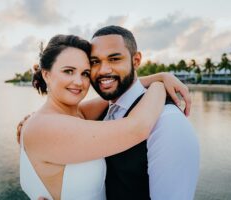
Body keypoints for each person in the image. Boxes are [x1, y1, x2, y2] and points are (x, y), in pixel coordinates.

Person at [18, 34, 190, 200]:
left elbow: (123, 89)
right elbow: (138, 127)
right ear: (46, 74)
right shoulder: (44, 127)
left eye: (85, 73)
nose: (79, 82)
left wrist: (161, 76)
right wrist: (159, 85)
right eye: (68, 71)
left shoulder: (76, 114)